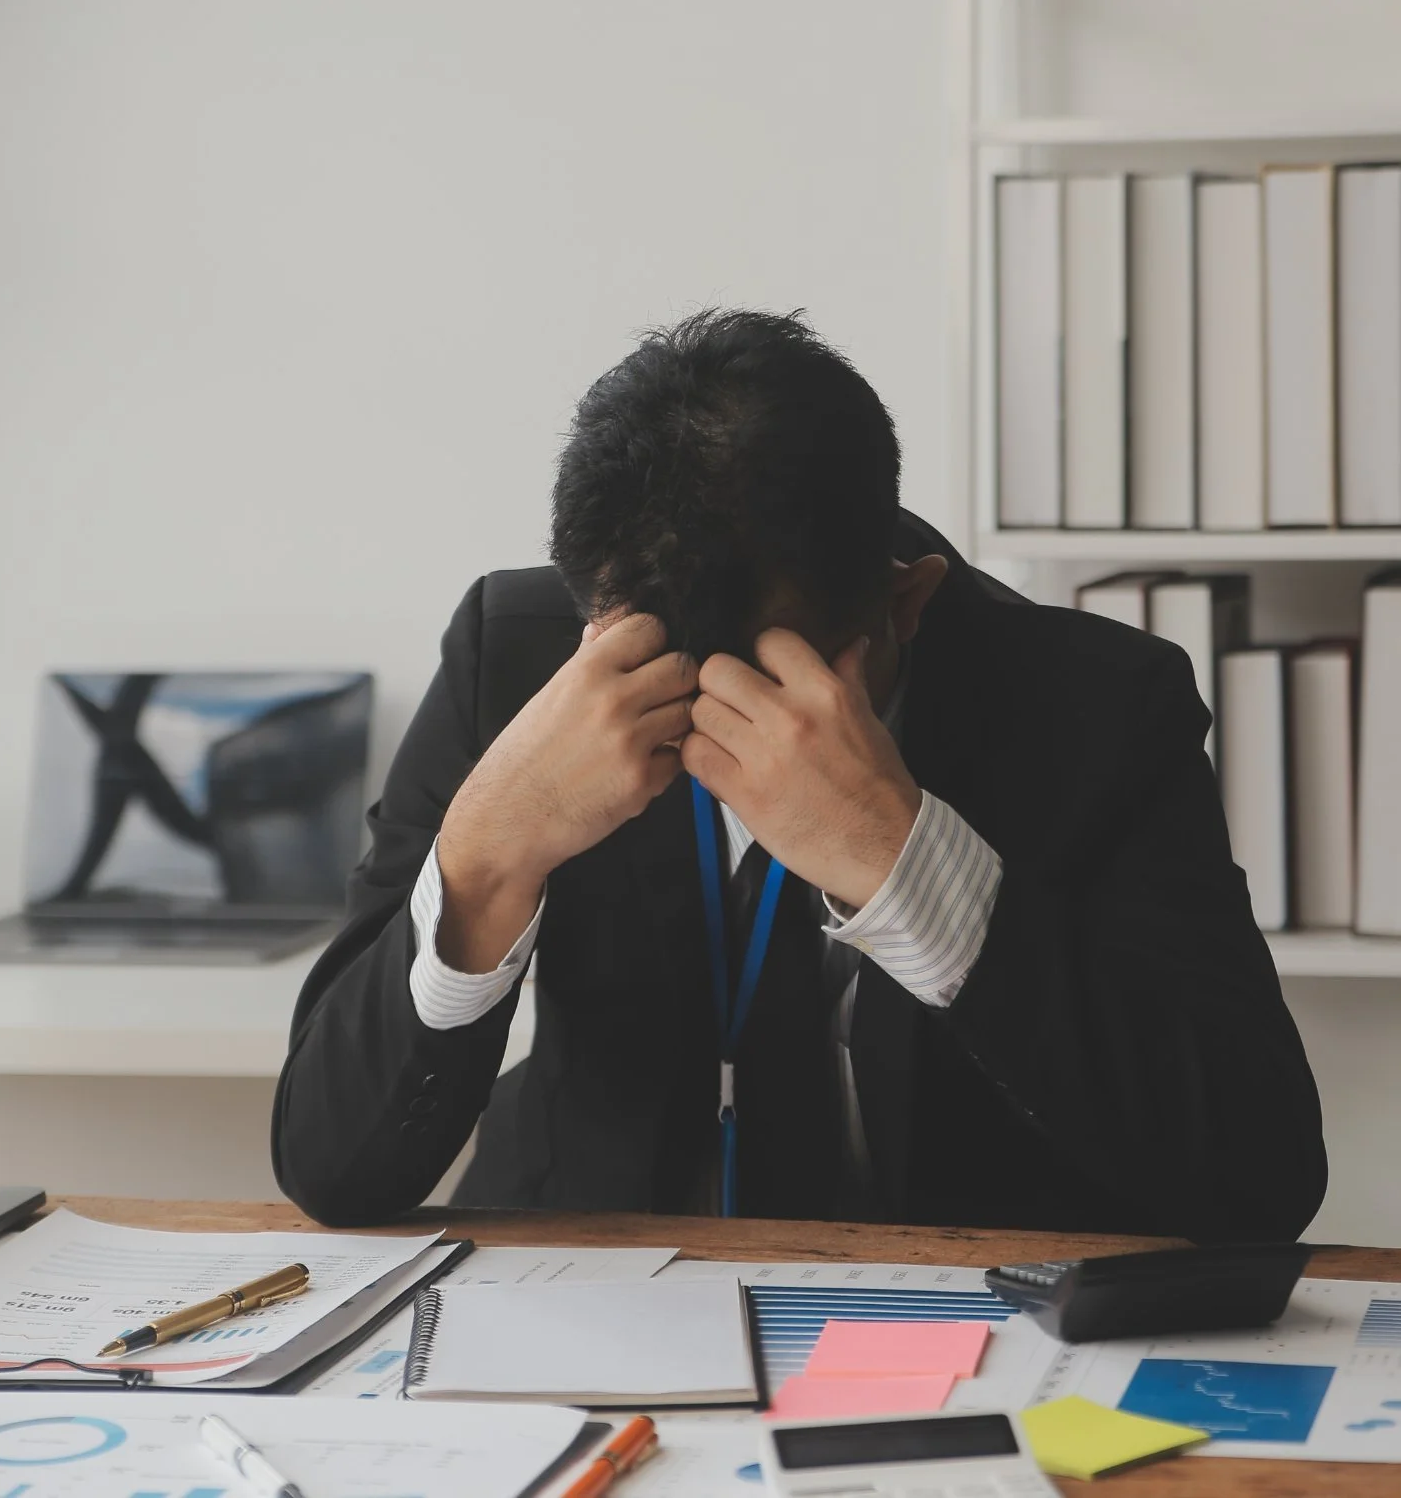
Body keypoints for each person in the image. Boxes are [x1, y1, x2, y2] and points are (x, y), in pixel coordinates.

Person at [271, 309, 1326, 1240]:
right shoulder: (515, 657)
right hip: (592, 1302)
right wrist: (488, 854)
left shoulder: (1097, 706)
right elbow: (329, 1165)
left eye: (766, 684)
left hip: (959, 1327)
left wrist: (908, 865)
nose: (708, 737)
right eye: (653, 674)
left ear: (902, 603)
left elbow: (1261, 1181)